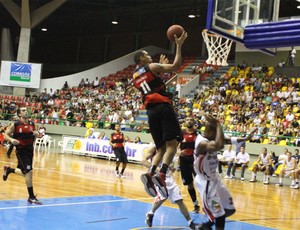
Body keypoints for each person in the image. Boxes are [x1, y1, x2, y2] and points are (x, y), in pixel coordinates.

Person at [132, 30, 188, 198]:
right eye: (147, 55)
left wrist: (159, 71)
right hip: (163, 106)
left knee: (160, 148)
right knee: (173, 144)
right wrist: (178, 46)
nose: (150, 56)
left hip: (150, 111)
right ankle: (162, 173)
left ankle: (150, 173)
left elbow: (151, 81)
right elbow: (176, 66)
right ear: (142, 59)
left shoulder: (135, 76)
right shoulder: (151, 66)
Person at [194, 115, 235, 230]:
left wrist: (244, 139)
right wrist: (218, 124)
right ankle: (208, 224)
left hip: (215, 178)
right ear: (210, 131)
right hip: (206, 183)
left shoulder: (210, 138)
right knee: (219, 214)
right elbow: (220, 144)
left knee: (230, 209)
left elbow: (225, 140)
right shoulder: (202, 143)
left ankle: (207, 225)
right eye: (216, 132)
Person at [142, 143, 197, 229]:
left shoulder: (169, 146)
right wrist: (156, 169)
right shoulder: (153, 147)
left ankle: (190, 222)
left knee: (179, 200)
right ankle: (150, 213)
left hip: (169, 178)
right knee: (162, 198)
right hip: (158, 178)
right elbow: (143, 161)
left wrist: (170, 167)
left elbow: (168, 160)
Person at [3, 107, 42, 204]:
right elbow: (5, 135)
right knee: (29, 172)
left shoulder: (32, 124)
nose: (26, 111)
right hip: (21, 151)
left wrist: (37, 134)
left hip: (30, 150)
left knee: (25, 173)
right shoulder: (15, 125)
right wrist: (12, 140)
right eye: (23, 110)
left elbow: (36, 135)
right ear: (19, 114)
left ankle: (9, 170)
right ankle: (31, 196)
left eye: (26, 110)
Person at [177, 116, 200, 213]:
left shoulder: (198, 135)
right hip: (184, 162)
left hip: (196, 161)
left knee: (201, 183)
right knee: (189, 185)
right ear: (185, 122)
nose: (189, 121)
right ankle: (196, 205)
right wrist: (178, 152)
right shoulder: (180, 134)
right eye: (187, 119)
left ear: (194, 122)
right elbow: (175, 147)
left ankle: (209, 206)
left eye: (191, 120)